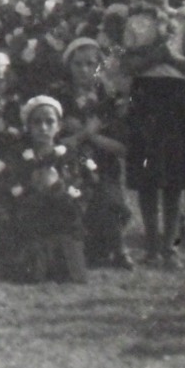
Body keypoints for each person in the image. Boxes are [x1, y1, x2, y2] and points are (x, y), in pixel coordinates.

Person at [115, 0, 185, 267]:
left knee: (174, 178)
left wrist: (171, 57)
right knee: (149, 175)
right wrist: (156, 53)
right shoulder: (135, 20)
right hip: (146, 96)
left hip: (175, 97)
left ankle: (170, 247)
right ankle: (151, 247)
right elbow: (127, 65)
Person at [0, 95, 93, 283]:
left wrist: (56, 187)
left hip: (63, 228)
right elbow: (9, 201)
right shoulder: (16, 158)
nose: (43, 128)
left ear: (59, 125)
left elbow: (79, 203)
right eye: (37, 122)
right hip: (30, 228)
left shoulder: (72, 159)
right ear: (28, 127)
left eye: (50, 121)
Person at [53, 37, 133, 268]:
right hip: (69, 162)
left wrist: (88, 135)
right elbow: (58, 140)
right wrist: (83, 135)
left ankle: (118, 248)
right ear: (69, 66)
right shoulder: (61, 96)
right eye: (78, 64)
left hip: (103, 162)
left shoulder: (109, 99)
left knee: (108, 196)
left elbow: (122, 148)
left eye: (90, 64)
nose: (84, 70)